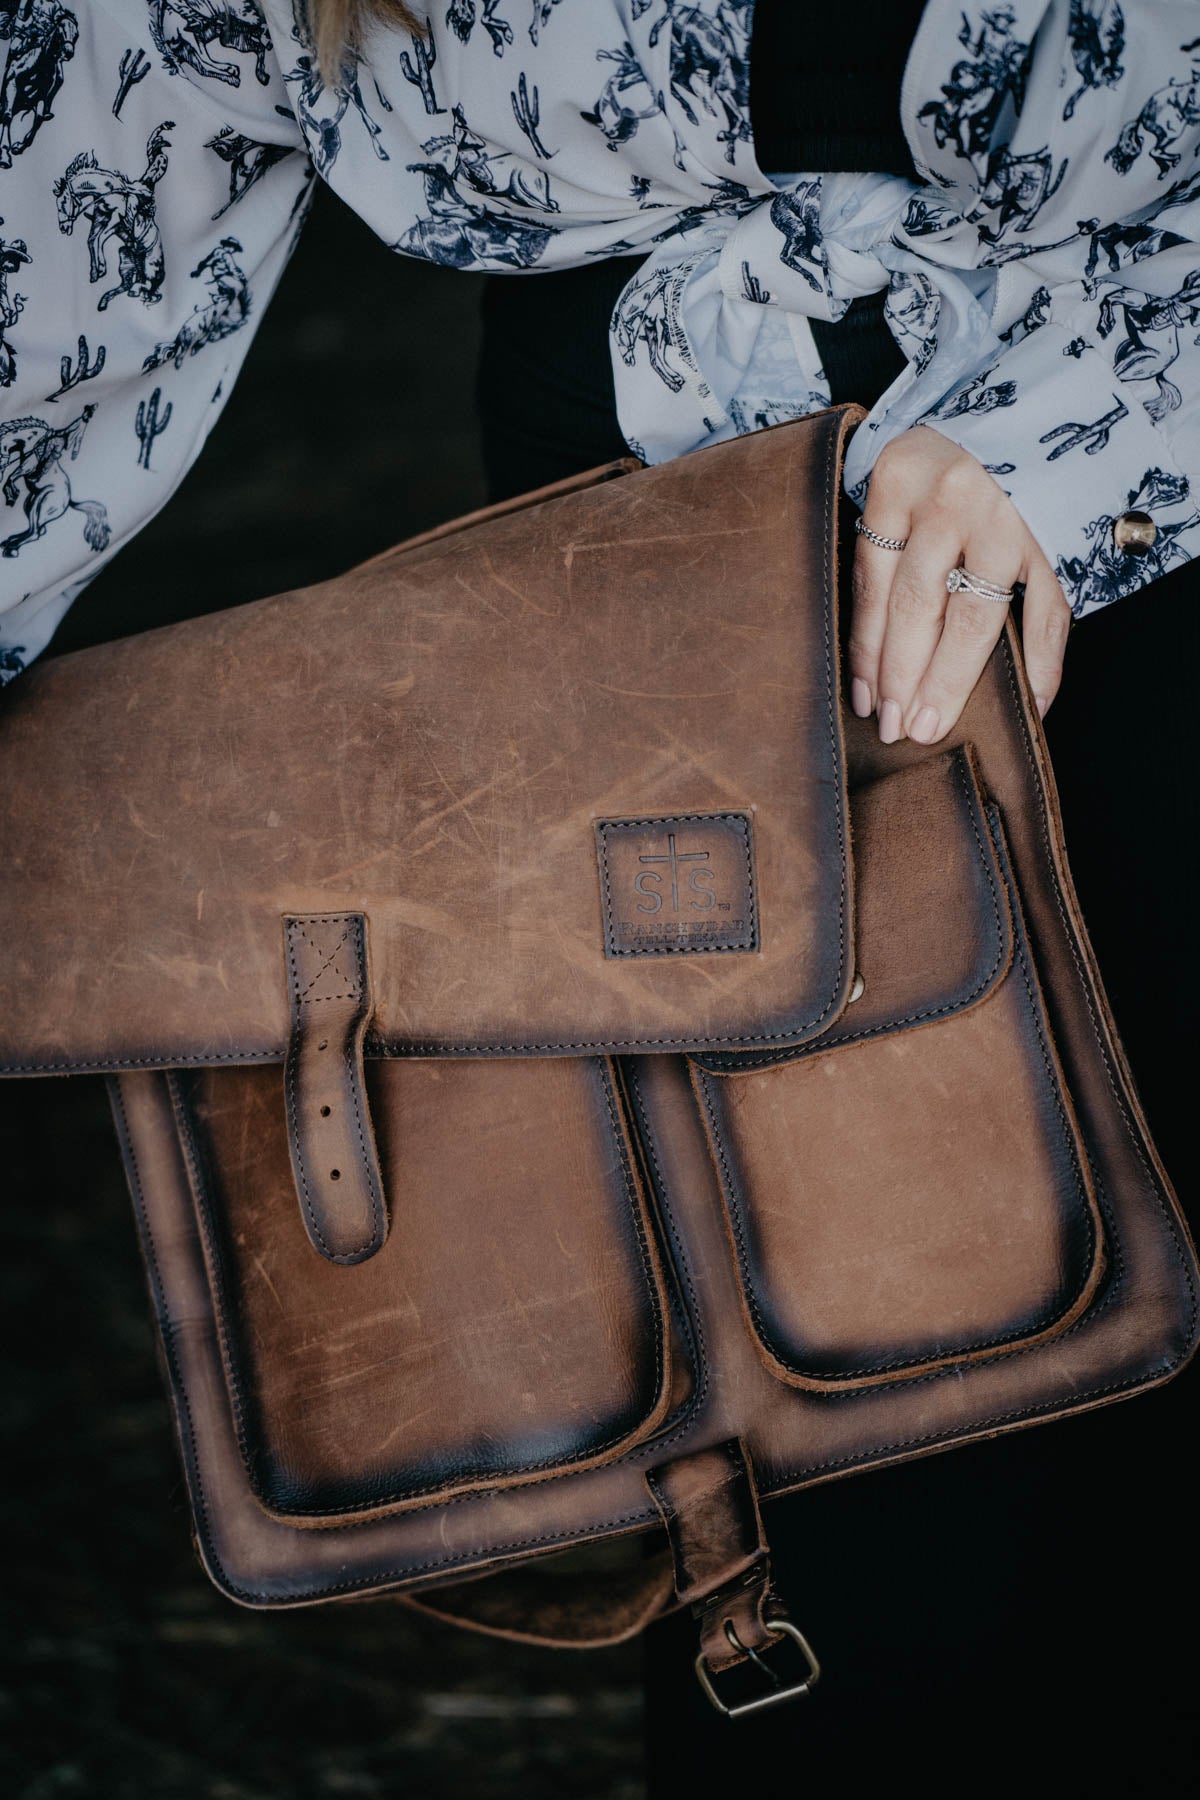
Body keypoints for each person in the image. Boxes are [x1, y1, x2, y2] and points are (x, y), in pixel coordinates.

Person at [1, 0, 1197, 1783]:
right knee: (842, 1524)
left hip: (1153, 532)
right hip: (623, 597)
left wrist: (1101, 411)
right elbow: (93, 137)